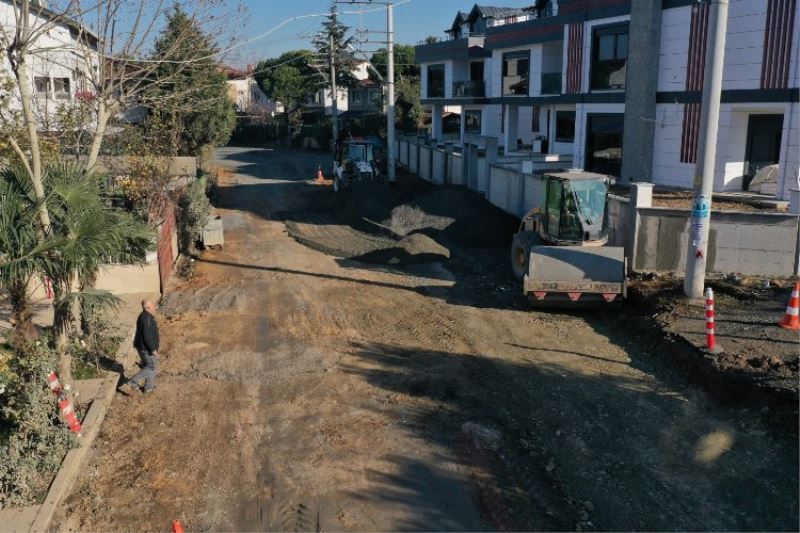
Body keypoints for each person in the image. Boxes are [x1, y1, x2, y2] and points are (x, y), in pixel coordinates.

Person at [123, 300, 160, 394]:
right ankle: (132, 381)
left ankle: (148, 388)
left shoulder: (146, 316)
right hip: (146, 349)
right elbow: (147, 336)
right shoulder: (146, 318)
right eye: (153, 306)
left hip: (145, 347)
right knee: (151, 367)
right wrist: (153, 349)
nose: (155, 308)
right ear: (148, 308)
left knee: (153, 367)